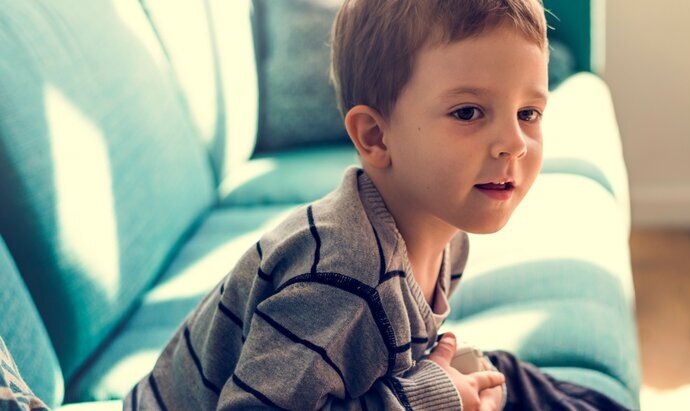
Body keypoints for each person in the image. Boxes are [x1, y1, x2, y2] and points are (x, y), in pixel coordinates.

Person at [126, 0, 632, 409]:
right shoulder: (342, 280)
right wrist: (428, 396)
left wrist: (435, 379)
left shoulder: (443, 232)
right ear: (375, 135)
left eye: (528, 113)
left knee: (507, 378)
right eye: (468, 112)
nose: (514, 143)